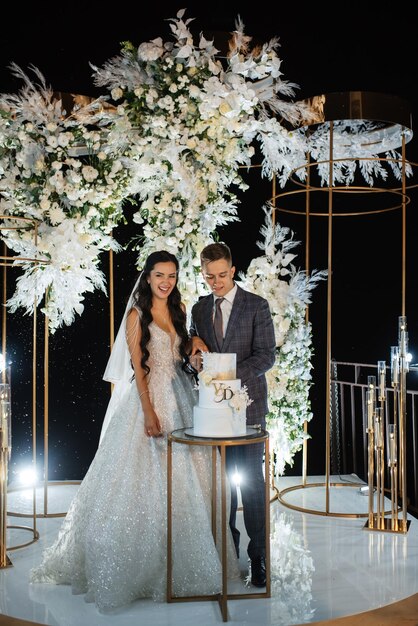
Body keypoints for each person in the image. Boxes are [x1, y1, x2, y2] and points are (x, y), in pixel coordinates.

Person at [30, 250, 238, 613]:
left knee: (193, 478)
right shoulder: (135, 315)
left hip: (181, 396)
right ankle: (141, 566)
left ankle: (189, 558)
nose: (166, 282)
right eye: (159, 275)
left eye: (171, 275)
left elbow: (180, 359)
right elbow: (139, 372)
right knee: (141, 481)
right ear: (147, 276)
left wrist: (194, 349)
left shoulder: (179, 309)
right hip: (151, 401)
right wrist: (148, 412)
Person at [189, 242, 276, 588]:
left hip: (249, 409)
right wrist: (195, 363)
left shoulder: (257, 306)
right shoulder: (198, 309)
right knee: (221, 488)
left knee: (252, 485)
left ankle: (259, 559)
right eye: (210, 277)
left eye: (222, 275)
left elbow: (266, 356)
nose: (217, 282)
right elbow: (196, 356)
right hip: (213, 415)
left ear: (233, 270)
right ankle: (227, 556)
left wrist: (228, 374)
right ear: (203, 274)